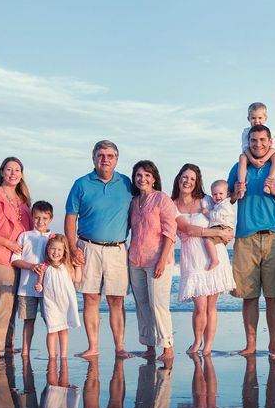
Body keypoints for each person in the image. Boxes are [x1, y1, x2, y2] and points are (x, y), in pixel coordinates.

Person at [228, 124, 275, 359]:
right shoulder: (238, 168)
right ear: (247, 142)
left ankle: (273, 346)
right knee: (248, 296)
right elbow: (227, 199)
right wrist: (234, 192)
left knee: (273, 296)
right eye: (253, 140)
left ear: (271, 141)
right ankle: (250, 345)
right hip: (245, 237)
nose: (258, 144)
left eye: (262, 140)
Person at [65, 140, 133, 358]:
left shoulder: (126, 183)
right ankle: (93, 347)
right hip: (88, 247)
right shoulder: (81, 184)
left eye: (110, 155)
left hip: (117, 249)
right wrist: (72, 246)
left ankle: (119, 347)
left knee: (116, 299)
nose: (105, 159)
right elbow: (70, 218)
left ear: (116, 159)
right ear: (93, 158)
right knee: (91, 298)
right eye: (101, 155)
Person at [172, 164, 235, 355]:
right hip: (192, 258)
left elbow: (224, 215)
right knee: (199, 306)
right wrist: (217, 231)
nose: (188, 181)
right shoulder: (171, 204)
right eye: (184, 177)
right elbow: (187, 229)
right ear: (178, 178)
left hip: (213, 255)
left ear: (197, 181)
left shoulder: (206, 200)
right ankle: (197, 341)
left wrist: (227, 231)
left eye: (192, 178)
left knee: (211, 306)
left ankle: (207, 345)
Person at [0, 157, 33, 358]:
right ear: (2, 172)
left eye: (17, 170)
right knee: (5, 298)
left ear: (21, 174)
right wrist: (8, 243)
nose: (13, 173)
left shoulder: (23, 199)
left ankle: (9, 345)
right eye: (9, 169)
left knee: (14, 301)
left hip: (18, 256)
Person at [128, 160, 178, 361]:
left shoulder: (162, 200)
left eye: (147, 175)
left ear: (154, 178)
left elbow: (170, 232)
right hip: (135, 260)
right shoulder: (133, 202)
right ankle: (149, 346)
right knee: (142, 304)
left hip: (158, 260)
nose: (143, 179)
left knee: (158, 304)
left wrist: (162, 260)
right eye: (139, 175)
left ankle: (167, 347)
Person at [11, 200, 53, 357]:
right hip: (26, 287)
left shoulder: (53, 237)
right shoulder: (25, 236)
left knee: (50, 320)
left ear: (50, 219)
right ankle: (25, 351)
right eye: (36, 218)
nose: (40, 222)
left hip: (47, 288)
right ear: (32, 217)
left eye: (44, 218)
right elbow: (15, 260)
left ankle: (53, 352)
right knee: (28, 320)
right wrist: (31, 266)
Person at [34, 234, 82, 358]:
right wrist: (39, 286)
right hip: (51, 303)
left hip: (66, 302)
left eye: (59, 249)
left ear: (64, 251)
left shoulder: (67, 266)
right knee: (52, 329)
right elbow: (40, 283)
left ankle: (63, 355)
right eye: (53, 249)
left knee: (64, 329)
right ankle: (52, 356)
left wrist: (78, 266)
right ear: (47, 249)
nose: (56, 252)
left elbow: (77, 278)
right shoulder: (44, 266)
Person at [235, 102, 275, 198]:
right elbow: (245, 147)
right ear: (248, 118)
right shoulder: (246, 132)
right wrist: (253, 160)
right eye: (253, 118)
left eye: (260, 118)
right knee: (242, 157)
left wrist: (264, 159)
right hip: (250, 156)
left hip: (268, 154)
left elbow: (274, 147)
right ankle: (242, 186)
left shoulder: (270, 131)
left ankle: (269, 182)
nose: (256, 121)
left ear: (265, 118)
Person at [202, 179, 236, 271]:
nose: (218, 196)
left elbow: (217, 216)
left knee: (207, 240)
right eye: (215, 194)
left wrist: (207, 213)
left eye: (221, 194)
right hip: (221, 227)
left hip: (222, 227)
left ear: (227, 194)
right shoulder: (218, 204)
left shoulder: (226, 205)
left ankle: (214, 260)